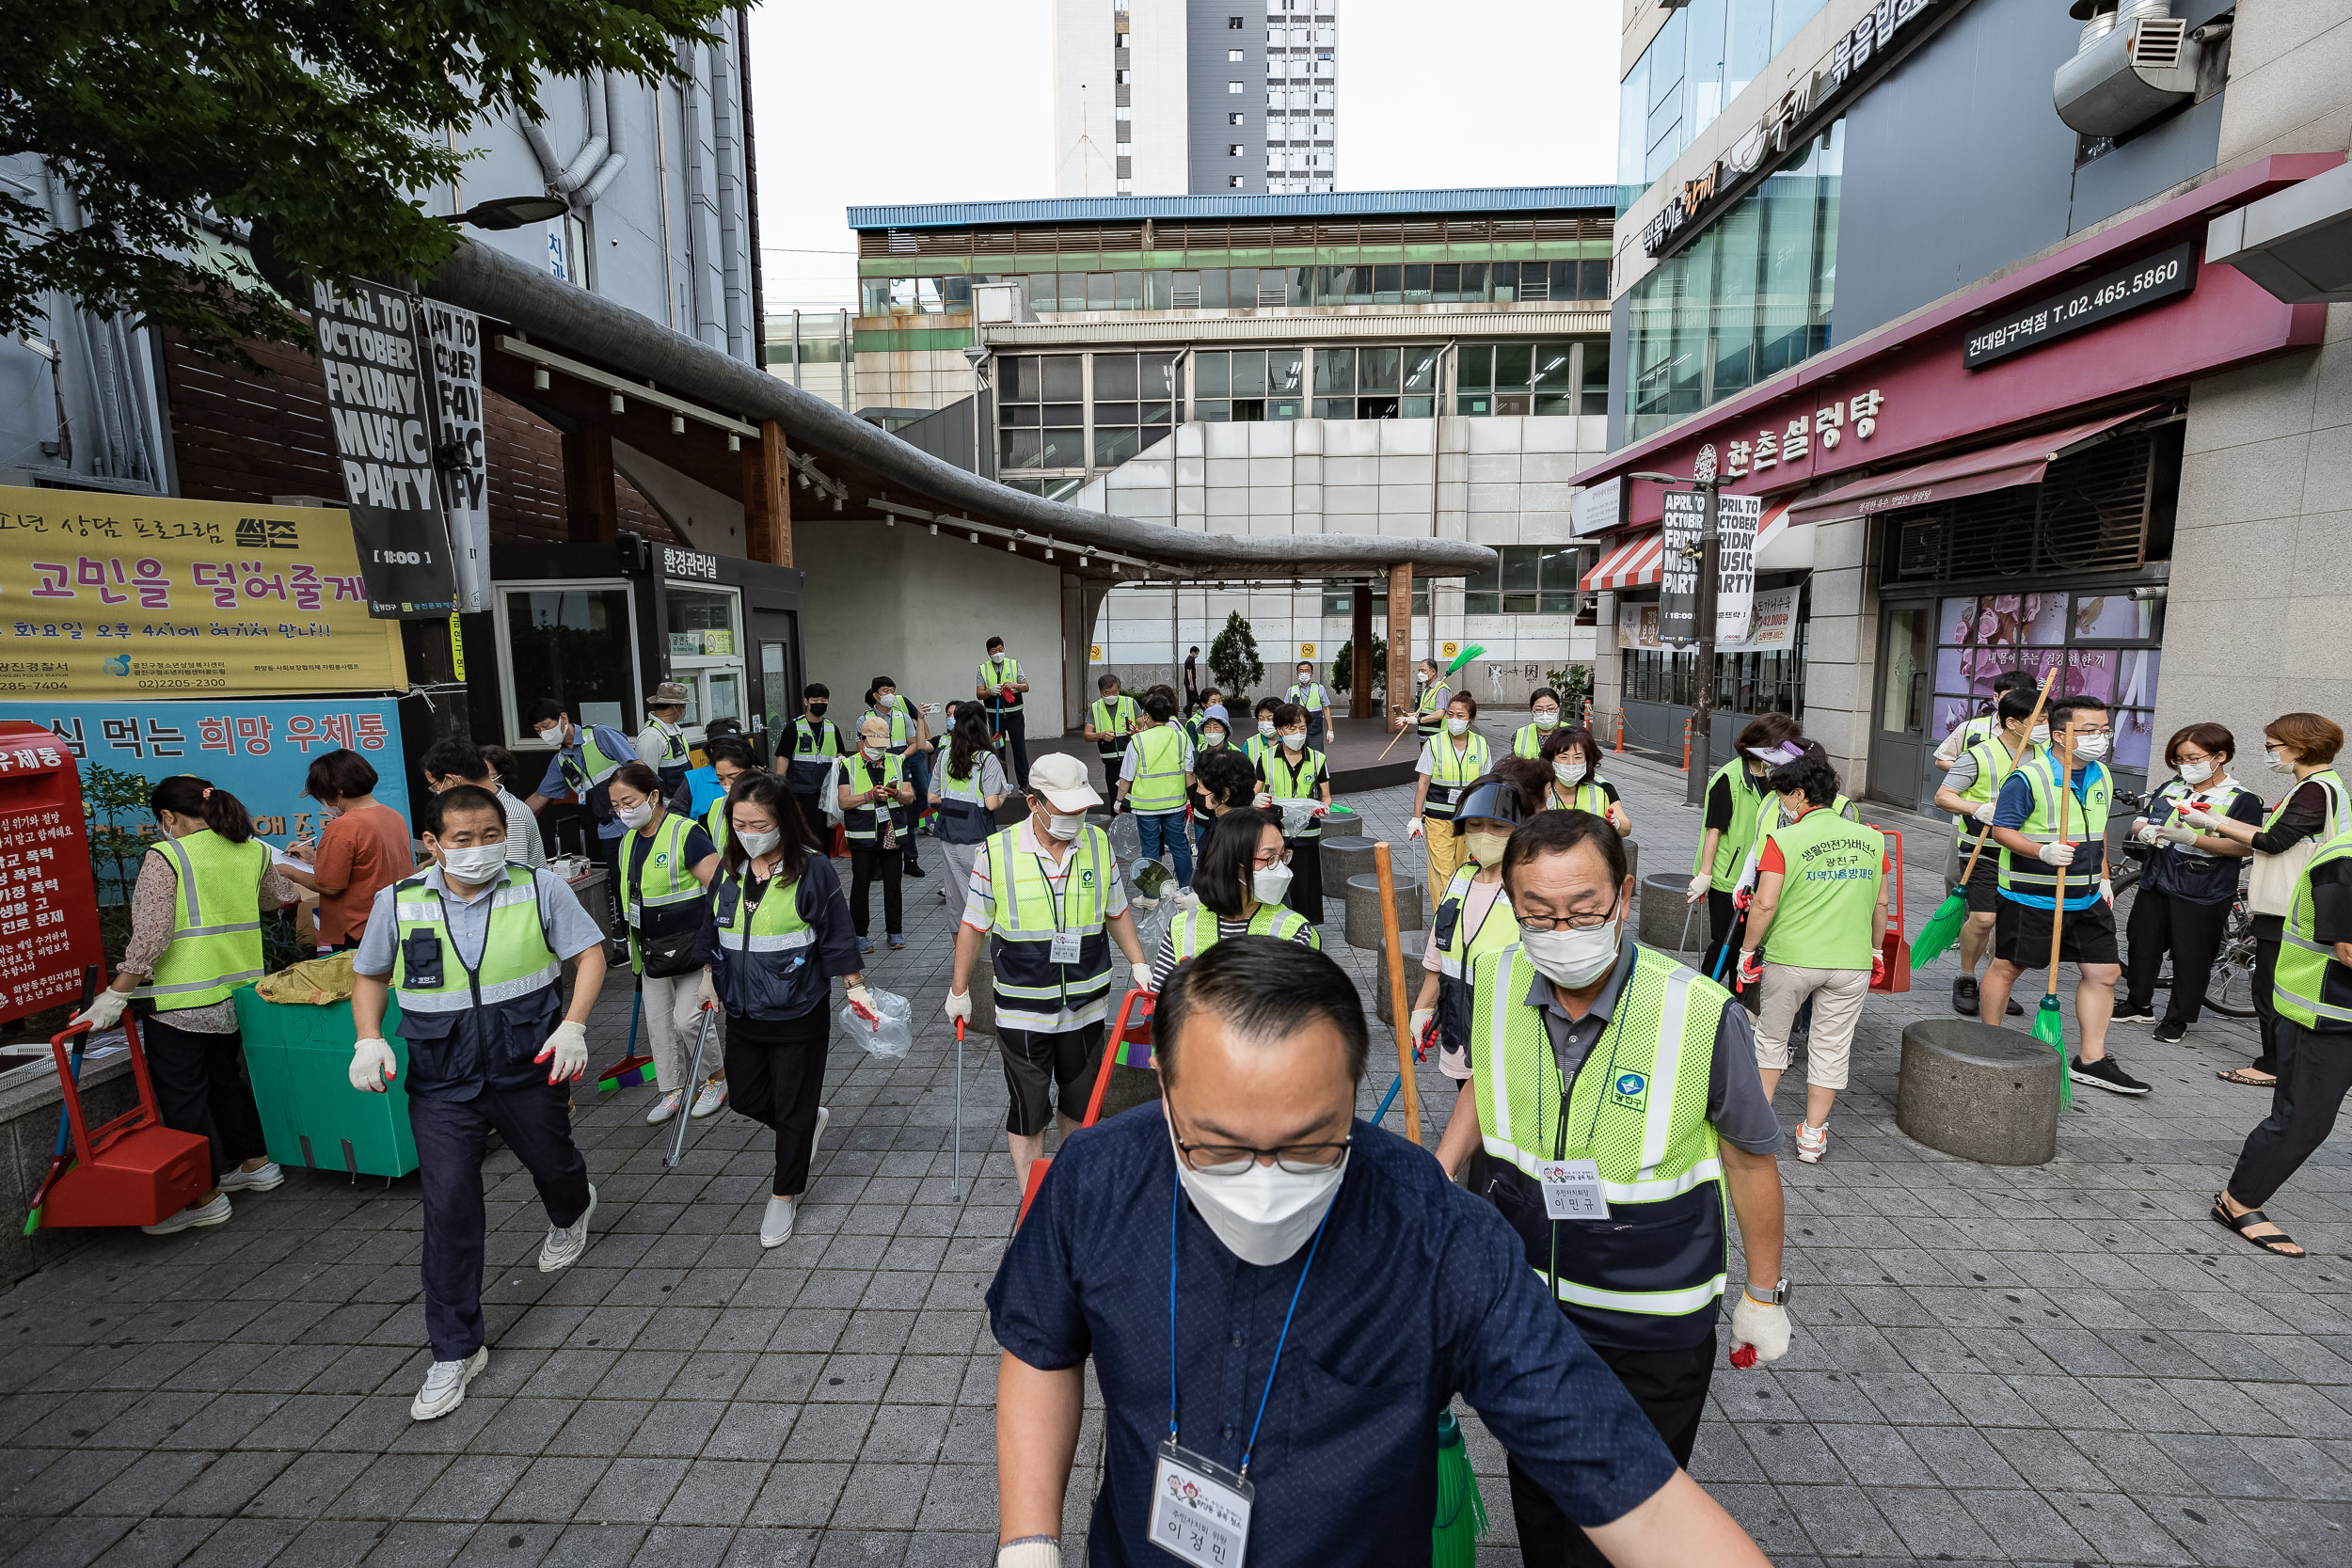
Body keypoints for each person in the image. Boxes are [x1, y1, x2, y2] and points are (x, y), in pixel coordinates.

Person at [986, 935, 1777, 1568]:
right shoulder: (1096, 1176)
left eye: (1308, 1145)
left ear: (1355, 1096)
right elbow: (1040, 1344)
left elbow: (1628, 1481)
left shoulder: (1438, 1234)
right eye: (1219, 1147)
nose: (1264, 1181)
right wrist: (1028, 1541)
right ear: (1163, 1083)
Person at [1466, 810, 1789, 1562]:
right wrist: (1439, 1173)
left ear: (1625, 895)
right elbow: (1486, 1085)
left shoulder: (1699, 1014)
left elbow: (1750, 1159)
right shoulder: (1498, 976)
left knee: (1628, 1516)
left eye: (1582, 909)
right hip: (1528, 1309)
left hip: (1650, 1326)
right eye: (1538, 913)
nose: (1560, 928)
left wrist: (1764, 1294)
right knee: (1542, 1499)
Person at [346, 784, 607, 1421]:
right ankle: (456, 1348)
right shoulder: (399, 902)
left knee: (555, 1163)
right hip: (441, 1081)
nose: (479, 848)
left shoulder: (537, 886)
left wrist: (572, 1023)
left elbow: (590, 953)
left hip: (528, 1064)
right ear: (431, 843)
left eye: (490, 834)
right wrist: (369, 1038)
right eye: (462, 839)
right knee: (450, 1206)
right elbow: (370, 973)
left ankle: (572, 1208)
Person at [68, 776, 293, 1236]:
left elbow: (151, 935)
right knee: (226, 1080)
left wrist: (116, 993)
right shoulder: (251, 849)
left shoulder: (166, 855)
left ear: (168, 817)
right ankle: (255, 1164)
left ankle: (201, 1196)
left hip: (182, 1001)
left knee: (184, 1095)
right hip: (237, 994)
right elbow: (279, 897)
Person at [944, 752, 1152, 1197]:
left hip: (1086, 1003)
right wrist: (959, 990)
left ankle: (1069, 1180)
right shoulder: (996, 853)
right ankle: (1033, 1194)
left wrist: (1138, 961)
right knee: (1028, 1106)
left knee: (1079, 1101)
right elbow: (974, 924)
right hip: (1023, 1008)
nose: (1076, 816)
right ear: (1034, 802)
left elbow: (1115, 911)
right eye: (1065, 808)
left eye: (1080, 807)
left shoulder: (1097, 843)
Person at [706, 772, 866, 1246]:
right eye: (740, 824)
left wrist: (855, 987)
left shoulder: (813, 869)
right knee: (746, 1097)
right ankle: (802, 1124)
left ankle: (784, 1194)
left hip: (798, 1007)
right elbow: (712, 926)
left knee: (792, 1105)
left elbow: (838, 934)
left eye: (759, 824)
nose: (749, 834)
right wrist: (707, 978)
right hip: (743, 1007)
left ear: (782, 822)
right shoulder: (730, 868)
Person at [1981, 695, 2148, 1094]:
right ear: (2060, 734)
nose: (2101, 738)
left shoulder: (2102, 775)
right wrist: (2041, 850)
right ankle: (1988, 1044)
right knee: (2008, 967)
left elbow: (2098, 830)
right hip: (2033, 896)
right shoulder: (2029, 777)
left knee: (2105, 973)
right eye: (2090, 731)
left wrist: (2104, 877)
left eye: (2105, 730)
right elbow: (2003, 830)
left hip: (2087, 895)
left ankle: (2091, 1059)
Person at [2172, 712, 2348, 1086]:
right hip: (2291, 903)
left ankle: (2273, 1065)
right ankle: (2285, 1062)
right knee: (2272, 987)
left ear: (2299, 748)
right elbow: (2274, 831)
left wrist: (2213, 824)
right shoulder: (2320, 785)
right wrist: (2215, 819)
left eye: (2272, 747)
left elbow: (2273, 841)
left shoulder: (2315, 789)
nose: (2269, 754)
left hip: (2290, 905)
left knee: (2270, 990)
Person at [1734, 745, 1889, 1164]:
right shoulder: (1873, 840)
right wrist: (1876, 951)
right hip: (1851, 960)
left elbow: (1764, 905)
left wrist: (1747, 951)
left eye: (1784, 795)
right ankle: (1813, 1136)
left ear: (1800, 796)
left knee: (1770, 1039)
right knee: (1832, 1046)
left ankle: (1760, 1126)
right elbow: (1880, 905)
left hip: (1792, 957)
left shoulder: (1782, 840)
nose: (1782, 804)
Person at [2212, 823, 2352, 1258]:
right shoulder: (2344, 861)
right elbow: (2348, 949)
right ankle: (2239, 1200)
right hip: (2325, 1014)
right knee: (2303, 1119)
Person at [1409, 765, 1545, 1180]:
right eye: (1476, 825)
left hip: (1510, 1030)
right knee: (1470, 1114)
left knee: (1503, 1132)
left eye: (1498, 827)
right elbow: (1439, 952)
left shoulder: (1528, 886)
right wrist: (1422, 1008)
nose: (1484, 835)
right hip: (1458, 1021)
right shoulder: (1461, 878)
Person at [2116, 723, 2261, 1044]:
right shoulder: (2172, 787)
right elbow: (2146, 817)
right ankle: (2138, 1003)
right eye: (2179, 759)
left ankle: (2178, 1018)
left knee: (2191, 955)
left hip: (2203, 887)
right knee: (2143, 944)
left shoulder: (2241, 798)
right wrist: (2143, 830)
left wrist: (2194, 838)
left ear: (2220, 756)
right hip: (2156, 878)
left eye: (2193, 758)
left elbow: (2244, 846)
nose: (2185, 765)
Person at [608, 762, 724, 1123]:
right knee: (658, 1024)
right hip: (650, 951)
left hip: (692, 947)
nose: (623, 811)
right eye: (615, 805)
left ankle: (716, 1078)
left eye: (628, 801)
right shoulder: (628, 841)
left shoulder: (685, 833)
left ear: (653, 796)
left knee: (688, 1019)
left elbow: (719, 890)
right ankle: (673, 1089)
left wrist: (712, 958)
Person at [1931, 686, 2042, 1019]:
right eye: (2038, 720)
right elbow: (1943, 796)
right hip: (1984, 850)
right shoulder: (1979, 754)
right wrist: (1977, 808)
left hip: (2028, 854)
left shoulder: (2049, 757)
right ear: (2013, 722)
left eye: (2048, 720)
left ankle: (1997, 980)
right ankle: (1967, 976)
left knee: (2010, 923)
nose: (2045, 728)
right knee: (1983, 918)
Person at [1685, 712, 1802, 987]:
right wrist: (1705, 875)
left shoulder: (1775, 776)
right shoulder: (1731, 777)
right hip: (1728, 878)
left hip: (1762, 874)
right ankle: (1707, 995)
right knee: (1726, 941)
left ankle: (1738, 1003)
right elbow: (1714, 830)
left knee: (1748, 945)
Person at [1146, 808, 1319, 990]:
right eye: (1270, 858)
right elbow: (1162, 1006)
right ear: (1231, 863)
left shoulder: (1293, 929)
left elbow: (1296, 1010)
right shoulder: (1181, 927)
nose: (1280, 868)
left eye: (1282, 856)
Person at [276, 749, 415, 953]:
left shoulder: (344, 826)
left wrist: (289, 872)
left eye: (319, 795)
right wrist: (315, 858)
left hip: (356, 929)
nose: (321, 801)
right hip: (392, 922)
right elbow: (367, 863)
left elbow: (330, 886)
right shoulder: (393, 816)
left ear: (337, 790)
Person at [521, 699, 637, 933]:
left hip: (639, 822)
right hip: (609, 830)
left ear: (563, 718)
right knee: (620, 887)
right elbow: (539, 798)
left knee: (650, 881)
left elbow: (637, 767)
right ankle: (629, 942)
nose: (543, 733)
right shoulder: (561, 762)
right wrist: (508, 817)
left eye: (545, 725)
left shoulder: (600, 735)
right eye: (537, 730)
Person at [1251, 701, 1333, 926]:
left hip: (1307, 834)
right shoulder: (1266, 758)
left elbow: (1326, 796)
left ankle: (1305, 930)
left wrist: (1324, 807)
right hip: (1275, 835)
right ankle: (1275, 928)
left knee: (1305, 887)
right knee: (1274, 886)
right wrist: (1255, 800)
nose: (1297, 734)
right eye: (1291, 729)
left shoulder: (1318, 759)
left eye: (1302, 729)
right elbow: (1252, 793)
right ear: (1280, 730)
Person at [840, 713, 915, 953]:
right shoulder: (848, 765)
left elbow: (910, 796)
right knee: (860, 884)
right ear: (862, 740)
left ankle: (895, 932)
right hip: (862, 834)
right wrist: (868, 795)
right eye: (873, 746)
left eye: (882, 747)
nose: (878, 751)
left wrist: (895, 794)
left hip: (892, 831)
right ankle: (859, 934)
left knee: (893, 884)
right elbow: (843, 801)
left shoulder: (896, 762)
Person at [931, 701, 1011, 922]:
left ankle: (964, 954)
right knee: (981, 896)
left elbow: (932, 796)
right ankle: (984, 950)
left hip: (947, 833)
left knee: (956, 899)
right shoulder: (987, 760)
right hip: (976, 835)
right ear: (983, 725)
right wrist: (1004, 794)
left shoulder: (945, 755)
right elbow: (992, 804)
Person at [1407, 689, 1489, 900]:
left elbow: (1486, 784)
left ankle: (1461, 919)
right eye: (1450, 714)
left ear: (1471, 719)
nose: (1454, 720)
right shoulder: (1434, 744)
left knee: (1465, 871)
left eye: (1460, 716)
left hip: (1469, 820)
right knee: (1442, 874)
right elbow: (1423, 783)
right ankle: (1443, 922)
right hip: (1438, 819)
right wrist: (1416, 818)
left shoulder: (1481, 745)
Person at [421, 736, 546, 867]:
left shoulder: (511, 815)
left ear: (452, 780)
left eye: (435, 786)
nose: (437, 792)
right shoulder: (478, 808)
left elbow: (510, 874)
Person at [1114, 688, 1195, 888]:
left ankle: (1151, 894)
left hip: (1146, 807)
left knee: (1150, 849)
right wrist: (1191, 799)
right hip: (1175, 804)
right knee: (1180, 847)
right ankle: (1185, 888)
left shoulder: (1138, 741)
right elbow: (1189, 773)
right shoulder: (1181, 737)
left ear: (1147, 716)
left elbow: (1126, 777)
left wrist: (1118, 801)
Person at [866, 675, 931, 877]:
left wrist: (902, 757)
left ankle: (911, 859)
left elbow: (914, 741)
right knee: (880, 812)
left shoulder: (901, 715)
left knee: (907, 810)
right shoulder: (866, 718)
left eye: (892, 690)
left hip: (902, 762)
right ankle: (877, 864)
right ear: (875, 695)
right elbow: (863, 747)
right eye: (885, 691)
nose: (890, 695)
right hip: (877, 766)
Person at [1931, 668, 2039, 769]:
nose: (2018, 703)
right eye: (2011, 697)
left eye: (2024, 697)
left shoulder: (2043, 732)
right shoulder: (1970, 728)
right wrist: (1971, 775)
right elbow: (1942, 761)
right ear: (1996, 697)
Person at [784, 684, 849, 848]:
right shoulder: (794, 727)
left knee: (824, 833)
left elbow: (840, 753)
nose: (820, 703)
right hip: (801, 790)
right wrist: (780, 784)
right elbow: (783, 756)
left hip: (826, 791)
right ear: (806, 701)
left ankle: (822, 866)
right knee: (805, 833)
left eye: (824, 700)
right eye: (815, 700)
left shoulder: (831, 728)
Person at [675, 736, 760, 854]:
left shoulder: (772, 800)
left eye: (733, 777)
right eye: (720, 778)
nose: (727, 785)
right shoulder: (716, 806)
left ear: (752, 770)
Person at [1540, 723, 1632, 833]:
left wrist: (1615, 824)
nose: (1571, 763)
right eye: (1563, 757)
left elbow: (1626, 828)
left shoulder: (1603, 788)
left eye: (1578, 757)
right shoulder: (1539, 787)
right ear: (1551, 760)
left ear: (1588, 760)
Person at [977, 634, 1031, 785]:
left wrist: (1014, 685)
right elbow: (979, 693)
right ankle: (1002, 784)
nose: (998, 654)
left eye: (1001, 650)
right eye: (994, 651)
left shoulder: (1014, 664)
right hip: (995, 720)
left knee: (1019, 749)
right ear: (989, 653)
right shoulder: (983, 669)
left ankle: (1024, 784)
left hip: (1015, 716)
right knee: (998, 750)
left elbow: (1026, 686)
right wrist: (990, 691)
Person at [675, 716, 748, 823]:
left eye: (733, 746)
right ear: (710, 749)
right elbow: (674, 818)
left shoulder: (754, 775)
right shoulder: (694, 780)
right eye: (721, 747)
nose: (727, 751)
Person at [1190, 746, 1257, 862]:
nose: (1197, 791)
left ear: (1225, 795)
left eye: (1201, 787)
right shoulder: (1248, 824)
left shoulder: (1231, 841)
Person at [636, 681, 693, 797]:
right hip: (668, 806)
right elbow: (646, 781)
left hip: (683, 800)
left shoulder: (673, 728)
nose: (684, 710)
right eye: (684, 706)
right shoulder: (651, 736)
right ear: (675, 707)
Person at [1083, 672, 1139, 791]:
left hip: (1132, 760)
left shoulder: (1130, 703)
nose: (1111, 696)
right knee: (1115, 797)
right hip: (1110, 762)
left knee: (1134, 796)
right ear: (1100, 692)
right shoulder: (1095, 707)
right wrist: (1101, 735)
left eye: (1115, 692)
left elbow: (1145, 727)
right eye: (1107, 693)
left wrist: (1135, 732)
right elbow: (1087, 735)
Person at [1395, 655, 1448, 740]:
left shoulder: (1441, 689)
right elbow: (1425, 712)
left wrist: (1417, 720)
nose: (1420, 674)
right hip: (1425, 737)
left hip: (1437, 737)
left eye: (1423, 671)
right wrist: (1408, 715)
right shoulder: (1427, 689)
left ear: (1433, 672)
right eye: (1419, 671)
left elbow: (1439, 714)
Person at [1286, 658, 1332, 752]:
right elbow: (1285, 711)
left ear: (1312, 673)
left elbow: (1326, 709)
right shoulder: (1291, 690)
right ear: (1297, 673)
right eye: (1301, 671)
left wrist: (1330, 730)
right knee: (1298, 756)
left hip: (1315, 730)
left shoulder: (1319, 688)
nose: (1304, 673)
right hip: (1296, 731)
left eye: (1307, 671)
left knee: (1317, 756)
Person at [1514, 686, 1565, 758]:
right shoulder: (1521, 733)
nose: (1545, 714)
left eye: (1550, 709)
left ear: (1558, 709)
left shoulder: (1572, 732)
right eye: (1539, 710)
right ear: (1532, 711)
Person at [1245, 696, 1282, 770]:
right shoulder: (1249, 744)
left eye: (1270, 719)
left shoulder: (1289, 741)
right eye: (1261, 719)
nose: (1265, 722)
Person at [1182, 642, 1200, 711]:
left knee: (1190, 697)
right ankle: (1187, 709)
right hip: (1189, 682)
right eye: (1197, 653)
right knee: (1195, 697)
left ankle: (1188, 712)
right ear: (1193, 652)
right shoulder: (1189, 660)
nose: (1197, 655)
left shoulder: (1192, 659)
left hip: (1190, 682)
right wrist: (1191, 684)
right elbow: (1189, 672)